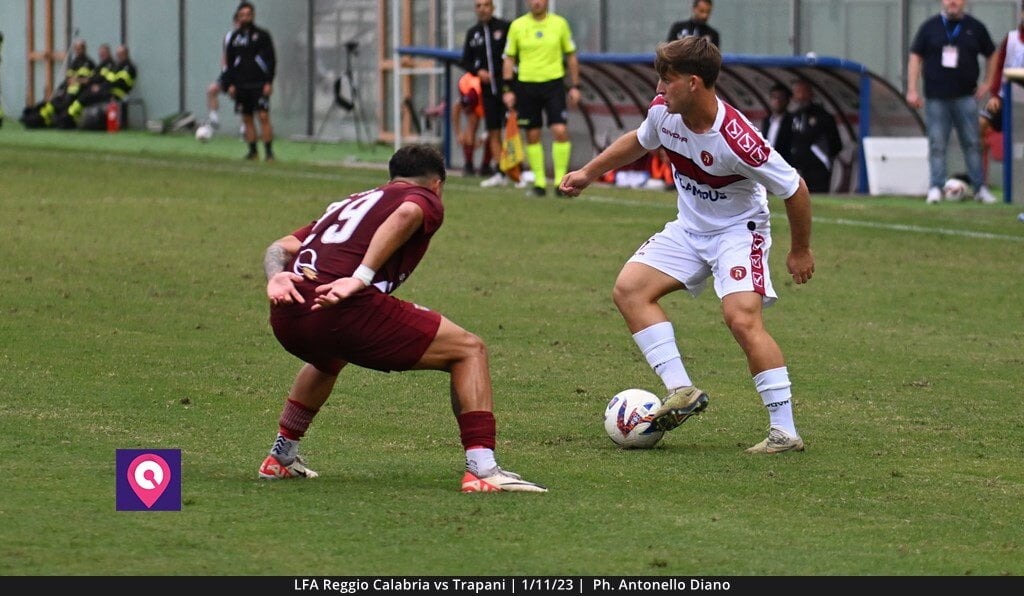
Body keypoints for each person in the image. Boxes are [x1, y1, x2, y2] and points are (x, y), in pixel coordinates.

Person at [560, 37, 814, 454]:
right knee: (629, 289)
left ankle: (784, 431)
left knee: (741, 319)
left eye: (667, 79)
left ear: (694, 82)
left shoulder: (737, 138)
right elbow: (638, 141)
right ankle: (681, 390)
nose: (659, 88)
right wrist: (589, 172)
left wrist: (800, 249)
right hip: (688, 228)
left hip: (737, 231)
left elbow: (795, 188)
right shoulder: (664, 114)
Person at [259, 144, 546, 492]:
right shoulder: (424, 198)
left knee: (329, 358)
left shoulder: (351, 202)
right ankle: (483, 468)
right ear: (437, 184)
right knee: (469, 349)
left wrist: (275, 275)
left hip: (288, 312)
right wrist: (361, 277)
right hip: (340, 308)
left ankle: (281, 456)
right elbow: (406, 214)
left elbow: (279, 247)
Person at [907, 0, 996, 204]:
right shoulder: (930, 27)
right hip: (936, 97)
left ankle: (980, 188)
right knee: (937, 143)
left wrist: (988, 83)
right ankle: (936, 187)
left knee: (973, 143)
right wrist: (912, 89)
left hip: (966, 97)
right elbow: (915, 57)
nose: (953, 2)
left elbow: (992, 53)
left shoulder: (975, 27)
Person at [502, 0, 581, 197]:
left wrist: (575, 86)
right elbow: (509, 58)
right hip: (526, 85)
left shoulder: (560, 24)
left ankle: (560, 182)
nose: (536, 2)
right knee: (532, 134)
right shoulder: (517, 25)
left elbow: (571, 56)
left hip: (553, 84)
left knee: (560, 130)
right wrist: (507, 89)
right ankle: (539, 183)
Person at [977, 2, 1024, 204]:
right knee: (979, 125)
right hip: (1007, 98)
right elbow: (998, 68)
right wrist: (994, 94)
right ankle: (980, 183)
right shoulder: (1012, 39)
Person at [461, 0, 511, 186]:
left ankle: (518, 169)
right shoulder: (473, 33)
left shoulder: (505, 27)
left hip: (508, 88)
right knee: (493, 130)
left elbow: (514, 55)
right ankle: (499, 171)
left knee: (513, 128)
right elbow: (466, 60)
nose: (482, 9)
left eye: (486, 5)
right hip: (488, 91)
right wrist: (478, 71)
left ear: (493, 7)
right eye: (478, 6)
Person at [225, 2, 276, 161]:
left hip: (259, 83)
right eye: (242, 15)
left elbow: (271, 60)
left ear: (252, 15)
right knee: (247, 118)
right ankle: (252, 151)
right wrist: (230, 84)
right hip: (241, 84)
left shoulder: (262, 35)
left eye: (248, 14)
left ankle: (268, 153)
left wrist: (269, 82)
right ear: (238, 17)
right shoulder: (234, 38)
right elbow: (230, 62)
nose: (245, 17)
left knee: (263, 116)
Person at [788, 80, 841, 193]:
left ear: (811, 94)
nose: (801, 96)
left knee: (818, 196)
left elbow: (835, 143)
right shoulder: (794, 116)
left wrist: (823, 158)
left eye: (803, 92)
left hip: (817, 169)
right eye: (797, 92)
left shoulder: (823, 116)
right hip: (797, 167)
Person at [65, 45, 137, 128]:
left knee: (88, 96)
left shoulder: (128, 67)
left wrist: (101, 88)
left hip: (118, 94)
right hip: (108, 91)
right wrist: (99, 86)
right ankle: (74, 116)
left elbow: (119, 83)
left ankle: (72, 115)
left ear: (125, 54)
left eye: (120, 54)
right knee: (87, 93)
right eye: (117, 54)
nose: (118, 56)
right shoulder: (117, 66)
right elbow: (108, 81)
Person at [452, 72, 491, 176]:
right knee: (472, 123)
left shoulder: (489, 97)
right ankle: (469, 164)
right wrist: (458, 132)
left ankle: (485, 166)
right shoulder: (470, 94)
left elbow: (494, 122)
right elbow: (456, 109)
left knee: (493, 132)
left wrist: (483, 137)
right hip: (468, 88)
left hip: (487, 97)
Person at [206, 14, 240, 130]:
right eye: (238, 22)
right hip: (229, 74)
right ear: (234, 23)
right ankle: (214, 120)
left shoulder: (251, 38)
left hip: (244, 75)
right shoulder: (229, 37)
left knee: (242, 97)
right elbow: (225, 57)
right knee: (211, 90)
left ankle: (245, 128)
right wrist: (226, 75)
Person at [760, 83, 793, 165]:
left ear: (788, 100)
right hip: (767, 163)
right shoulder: (767, 121)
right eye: (774, 97)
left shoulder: (792, 121)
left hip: (784, 164)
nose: (777, 101)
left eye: (781, 97)